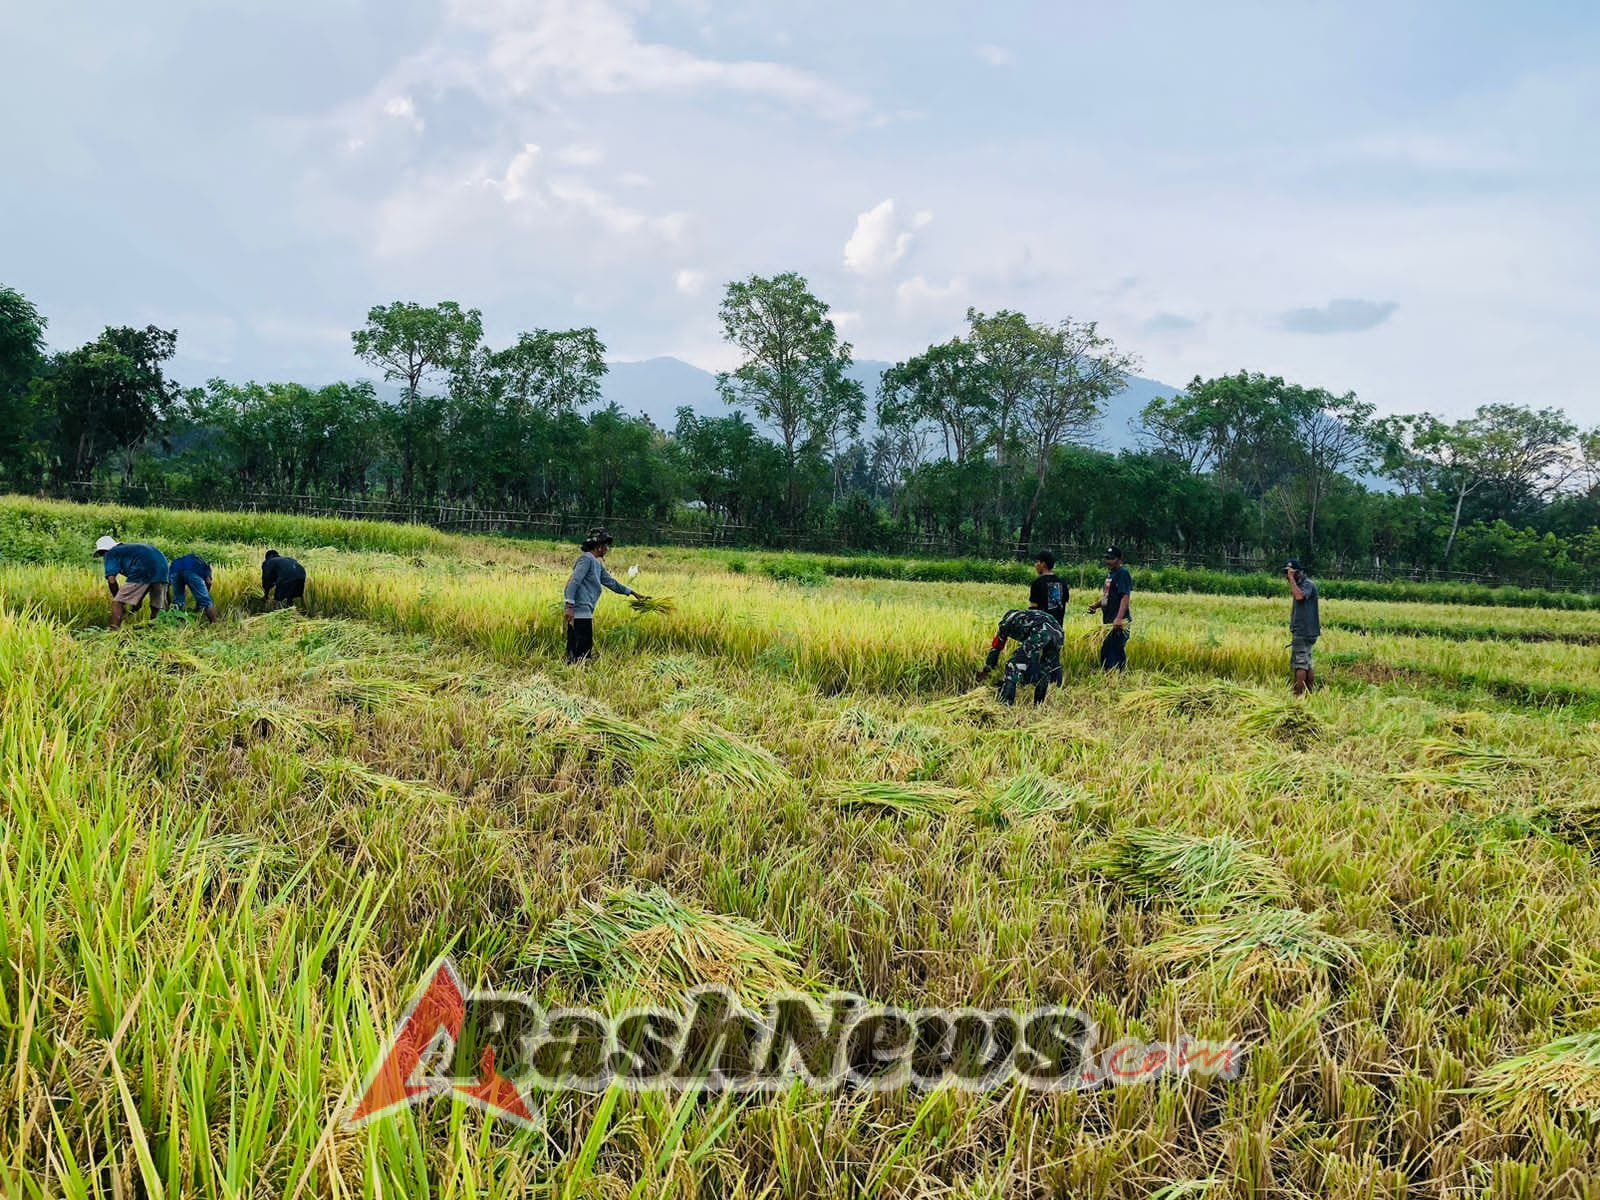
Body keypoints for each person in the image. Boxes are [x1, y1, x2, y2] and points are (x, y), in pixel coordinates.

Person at [562, 528, 645, 663]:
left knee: (580, 645)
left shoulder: (596, 564)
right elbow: (574, 582)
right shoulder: (586, 559)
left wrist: (633, 593)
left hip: (586, 608)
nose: (607, 549)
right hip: (580, 608)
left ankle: (574, 667)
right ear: (599, 546)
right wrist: (569, 605)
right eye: (606, 545)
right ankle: (577, 669)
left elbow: (612, 583)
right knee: (582, 646)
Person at [977, 608, 1064, 705]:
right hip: (1059, 633)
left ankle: (1005, 704)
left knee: (1013, 666)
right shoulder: (1027, 616)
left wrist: (988, 667)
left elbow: (997, 647)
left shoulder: (1006, 623)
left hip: (1041, 631)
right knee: (1045, 669)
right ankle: (1039, 705)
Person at [93, 535, 169, 630]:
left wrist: (119, 599)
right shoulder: (130, 549)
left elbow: (111, 580)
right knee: (156, 605)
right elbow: (145, 584)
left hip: (142, 568)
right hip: (163, 568)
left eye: (101, 554)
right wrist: (138, 600)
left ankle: (114, 631)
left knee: (117, 603)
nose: (103, 557)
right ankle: (156, 630)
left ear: (103, 551)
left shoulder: (111, 552)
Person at [1087, 546, 1132, 671]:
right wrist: (1096, 605)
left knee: (1114, 653)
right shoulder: (1111, 574)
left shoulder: (1122, 573)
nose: (1108, 561)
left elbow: (1125, 596)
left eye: (1112, 558)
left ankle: (1116, 678)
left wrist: (1119, 618)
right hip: (1108, 622)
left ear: (1119, 559)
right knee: (1106, 652)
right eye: (1107, 558)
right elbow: (1108, 596)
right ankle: (1108, 677)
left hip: (1118, 623)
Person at [1029, 550, 1068, 685]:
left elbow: (1033, 609)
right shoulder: (1062, 583)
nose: (1035, 565)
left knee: (1034, 657)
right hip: (1058, 628)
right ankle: (1056, 686)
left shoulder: (1037, 583)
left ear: (1043, 564)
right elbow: (1062, 604)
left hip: (1041, 629)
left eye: (1037, 562)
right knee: (1053, 659)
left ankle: (1034, 683)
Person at [1285, 558, 1320, 695]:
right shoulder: (1302, 584)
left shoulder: (1307, 584)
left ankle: (1298, 697)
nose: (1287, 576)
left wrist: (1291, 579)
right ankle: (1309, 694)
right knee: (1307, 664)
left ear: (1298, 572)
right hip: (1308, 631)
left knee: (1300, 665)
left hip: (1303, 631)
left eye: (1290, 573)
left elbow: (1299, 596)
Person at [169, 552, 219, 624]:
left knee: (178, 601)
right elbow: (208, 582)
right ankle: (214, 623)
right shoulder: (204, 564)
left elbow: (167, 584)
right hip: (192, 570)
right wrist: (204, 596)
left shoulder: (177, 561)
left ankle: (179, 623)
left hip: (175, 570)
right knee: (206, 602)